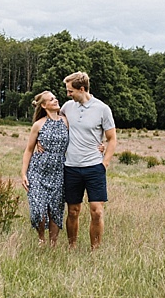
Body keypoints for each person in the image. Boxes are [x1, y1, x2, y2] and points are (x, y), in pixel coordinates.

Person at [61, 71, 117, 253]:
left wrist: (104, 163)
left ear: (82, 89)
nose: (68, 94)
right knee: (73, 211)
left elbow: (112, 138)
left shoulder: (102, 109)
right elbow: (51, 121)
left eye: (70, 91)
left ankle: (95, 250)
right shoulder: (67, 107)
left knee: (97, 211)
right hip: (71, 167)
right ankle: (72, 247)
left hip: (94, 168)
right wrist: (38, 141)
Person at [20, 91, 69, 248]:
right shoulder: (38, 125)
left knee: (55, 208)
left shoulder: (66, 121)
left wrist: (98, 146)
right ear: (43, 105)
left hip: (59, 172)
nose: (56, 100)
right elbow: (28, 150)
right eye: (51, 99)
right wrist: (23, 173)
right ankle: (41, 239)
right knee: (38, 208)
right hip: (38, 171)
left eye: (55, 98)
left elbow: (80, 137)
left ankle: (53, 244)